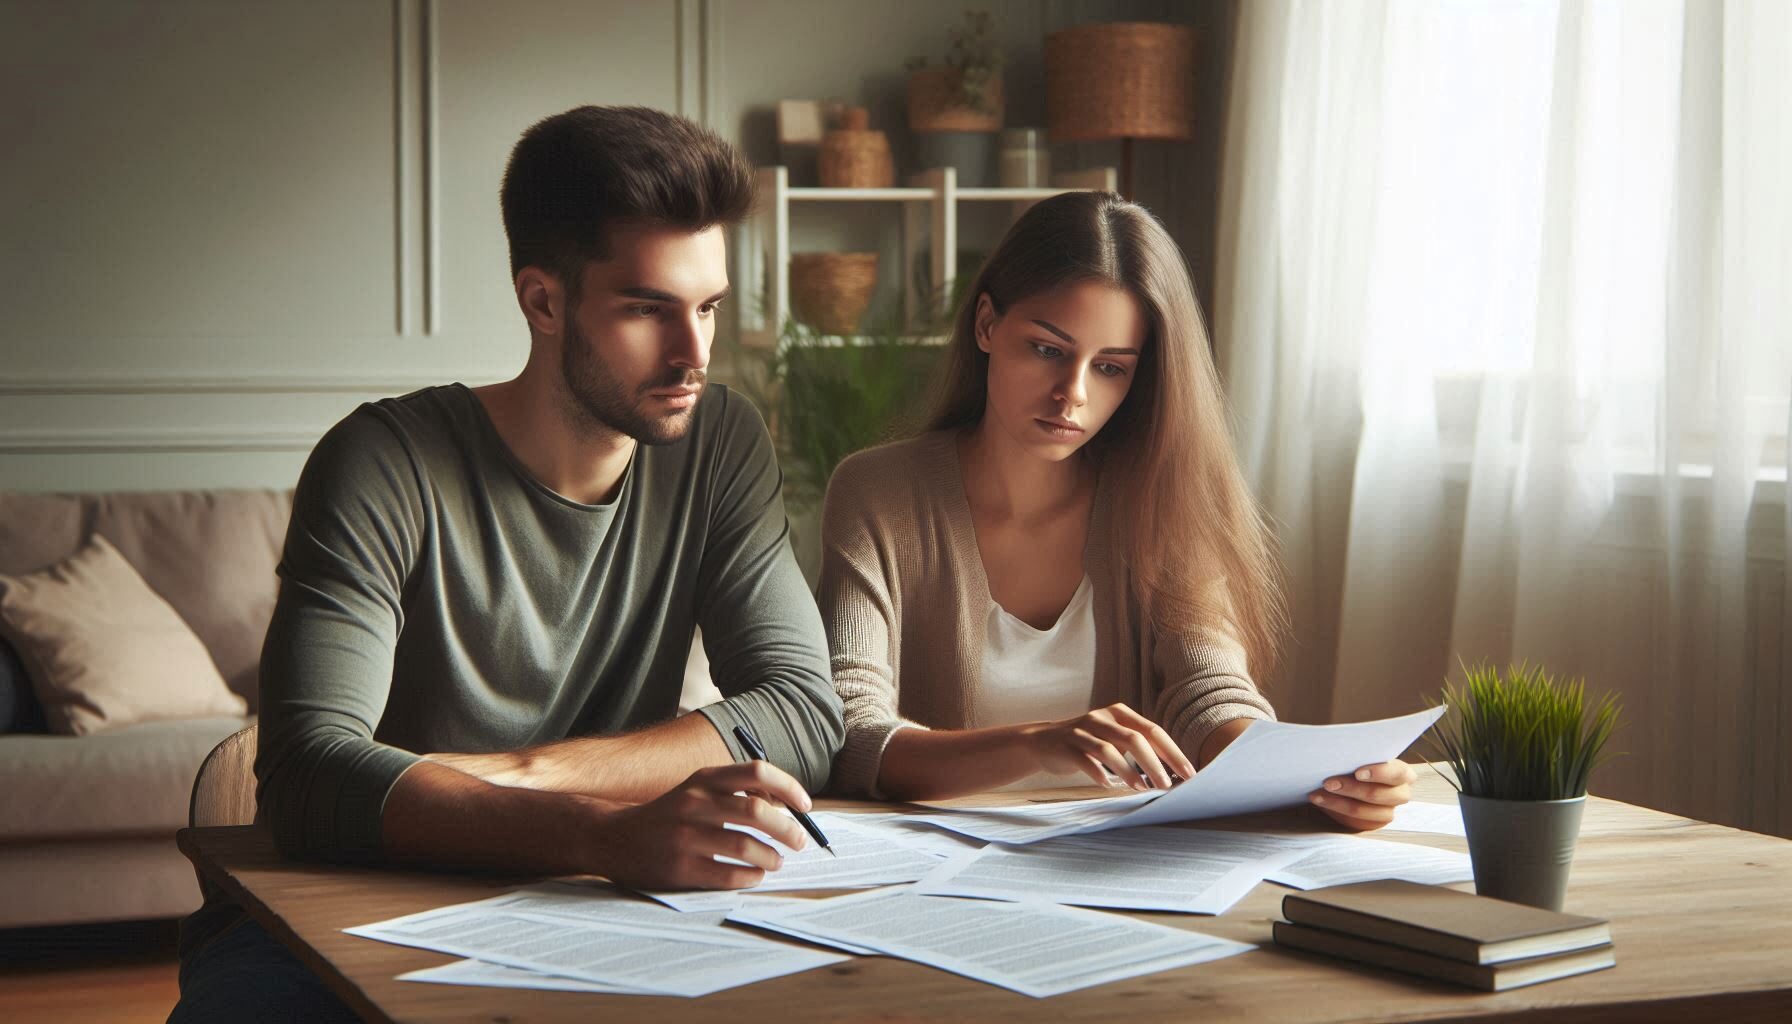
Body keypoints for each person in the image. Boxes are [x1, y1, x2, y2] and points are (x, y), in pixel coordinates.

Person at [171, 106, 843, 1022]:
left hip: (596, 911)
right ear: (543, 301)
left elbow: (802, 710)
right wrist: (602, 828)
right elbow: (312, 776)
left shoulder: (718, 442)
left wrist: (522, 779)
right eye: (648, 309)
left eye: (710, 307)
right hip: (353, 907)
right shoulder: (381, 460)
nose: (694, 354)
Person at [819, 190, 1414, 828]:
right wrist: (1036, 741)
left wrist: (1315, 778)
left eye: (1109, 367)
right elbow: (851, 730)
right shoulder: (880, 493)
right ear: (987, 324)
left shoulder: (1160, 497)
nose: (1071, 394)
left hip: (1111, 864)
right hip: (933, 872)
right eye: (1047, 349)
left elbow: (1208, 694)